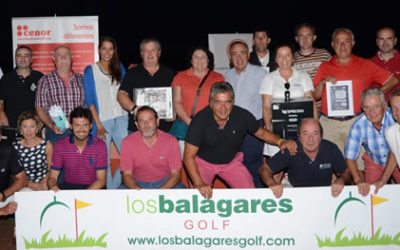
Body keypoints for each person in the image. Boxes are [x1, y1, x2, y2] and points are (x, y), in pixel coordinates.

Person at [183, 82, 297, 199]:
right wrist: (199, 183)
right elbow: (188, 156)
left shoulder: (242, 116)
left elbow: (261, 132)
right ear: (211, 103)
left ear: (232, 103)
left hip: (231, 162)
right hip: (204, 164)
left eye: (227, 102)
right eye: (218, 102)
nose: (223, 108)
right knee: (199, 196)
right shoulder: (199, 120)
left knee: (249, 196)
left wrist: (280, 141)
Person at [314, 28, 398, 156]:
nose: (342, 46)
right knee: (331, 166)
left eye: (346, 41)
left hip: (356, 121)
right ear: (332, 45)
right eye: (338, 42)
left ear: (353, 43)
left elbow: (393, 80)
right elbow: (315, 95)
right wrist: (323, 83)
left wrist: (374, 94)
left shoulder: (366, 64)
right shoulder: (324, 66)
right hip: (329, 124)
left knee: (360, 166)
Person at [259, 118, 347, 198]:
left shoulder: (331, 149)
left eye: (315, 133)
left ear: (321, 136)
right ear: (299, 137)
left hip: (325, 192)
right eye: (305, 134)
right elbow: (264, 169)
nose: (310, 139)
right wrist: (272, 184)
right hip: (294, 191)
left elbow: (346, 171)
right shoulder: (291, 149)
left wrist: (341, 180)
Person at [83, 36, 128, 189]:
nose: (107, 52)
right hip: (103, 120)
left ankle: (114, 188)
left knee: (129, 156)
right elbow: (90, 100)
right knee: (105, 161)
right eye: (104, 48)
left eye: (110, 48)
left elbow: (126, 90)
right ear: (99, 50)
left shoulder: (120, 68)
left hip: (122, 118)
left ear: (114, 50)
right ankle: (108, 192)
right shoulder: (90, 70)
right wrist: (98, 125)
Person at [260, 44, 317, 157]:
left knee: (301, 163)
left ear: (293, 58)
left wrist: (315, 127)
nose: (284, 59)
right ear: (276, 59)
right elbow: (266, 107)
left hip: (301, 129)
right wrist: (269, 129)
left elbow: (312, 104)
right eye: (280, 56)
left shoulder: (303, 77)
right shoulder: (269, 78)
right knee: (276, 169)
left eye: (287, 55)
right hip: (277, 129)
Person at [225, 40, 267, 187]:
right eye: (234, 54)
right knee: (235, 167)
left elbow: (267, 101)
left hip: (253, 130)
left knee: (254, 166)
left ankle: (258, 200)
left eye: (242, 53)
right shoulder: (227, 75)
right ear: (230, 58)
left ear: (248, 55)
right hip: (232, 130)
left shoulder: (261, 74)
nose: (239, 57)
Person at [344, 88, 399, 196]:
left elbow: (395, 152)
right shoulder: (358, 126)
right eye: (367, 107)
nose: (371, 112)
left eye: (375, 107)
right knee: (370, 194)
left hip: (396, 157)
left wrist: (383, 179)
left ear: (384, 106)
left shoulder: (395, 119)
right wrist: (358, 180)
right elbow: (349, 157)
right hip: (374, 160)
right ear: (362, 108)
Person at [171, 46, 224, 152]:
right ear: (191, 60)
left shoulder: (218, 77)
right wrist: (190, 122)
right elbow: (177, 102)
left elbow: (221, 102)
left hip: (210, 126)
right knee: (185, 161)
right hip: (187, 125)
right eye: (196, 57)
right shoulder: (180, 77)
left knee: (207, 163)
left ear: (208, 60)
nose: (199, 60)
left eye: (203, 57)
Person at [117, 38, 175, 133]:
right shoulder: (132, 73)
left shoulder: (169, 73)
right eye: (146, 50)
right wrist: (135, 109)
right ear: (141, 54)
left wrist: (174, 112)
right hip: (137, 130)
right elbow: (121, 95)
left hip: (165, 130)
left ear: (159, 53)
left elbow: (176, 97)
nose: (150, 53)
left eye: (153, 50)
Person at [120, 106, 184, 189]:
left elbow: (176, 174)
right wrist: (138, 190)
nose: (146, 124)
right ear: (137, 125)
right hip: (138, 182)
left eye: (150, 120)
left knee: (182, 193)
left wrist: (160, 192)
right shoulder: (127, 142)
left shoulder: (171, 140)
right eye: (141, 121)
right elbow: (127, 175)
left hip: (166, 182)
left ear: (157, 122)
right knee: (119, 196)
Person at [47, 107, 107, 190]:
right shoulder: (61, 145)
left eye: (85, 125)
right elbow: (52, 177)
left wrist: (82, 195)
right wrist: (53, 186)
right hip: (69, 188)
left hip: (93, 188)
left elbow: (101, 180)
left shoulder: (100, 145)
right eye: (77, 125)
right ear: (71, 126)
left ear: (91, 126)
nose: (81, 130)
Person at [35, 45, 85, 144]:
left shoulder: (82, 79)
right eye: (59, 55)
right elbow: (39, 108)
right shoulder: (45, 80)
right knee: (56, 160)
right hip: (56, 131)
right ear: (54, 59)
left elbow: (88, 104)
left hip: (80, 130)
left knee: (79, 159)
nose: (63, 57)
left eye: (66, 55)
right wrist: (51, 126)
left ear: (71, 59)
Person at [0, 46, 43, 134]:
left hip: (33, 128)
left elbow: (46, 103)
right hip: (11, 127)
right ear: (15, 59)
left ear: (31, 59)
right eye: (19, 55)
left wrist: (41, 121)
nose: (23, 59)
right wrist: (2, 116)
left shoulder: (40, 77)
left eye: (26, 56)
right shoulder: (6, 78)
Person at [13, 112, 52, 190]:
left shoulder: (47, 145)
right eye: (25, 127)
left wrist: (43, 184)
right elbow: (13, 175)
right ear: (20, 129)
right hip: (23, 185)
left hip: (44, 183)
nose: (29, 131)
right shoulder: (15, 147)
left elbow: (51, 170)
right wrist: (32, 185)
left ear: (37, 128)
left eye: (32, 126)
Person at [375, 89, 400, 193]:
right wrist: (383, 180)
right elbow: (395, 154)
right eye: (394, 108)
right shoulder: (391, 132)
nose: (397, 113)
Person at [0, 128, 27, 215]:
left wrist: (3, 195)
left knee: (27, 193)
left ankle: (24, 227)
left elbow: (22, 180)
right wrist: (3, 211)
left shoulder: (8, 150)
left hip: (3, 196)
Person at [371, 26, 400, 101]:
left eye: (389, 39)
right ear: (377, 42)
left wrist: (374, 95)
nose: (385, 43)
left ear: (395, 41)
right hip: (375, 110)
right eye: (382, 39)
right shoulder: (368, 64)